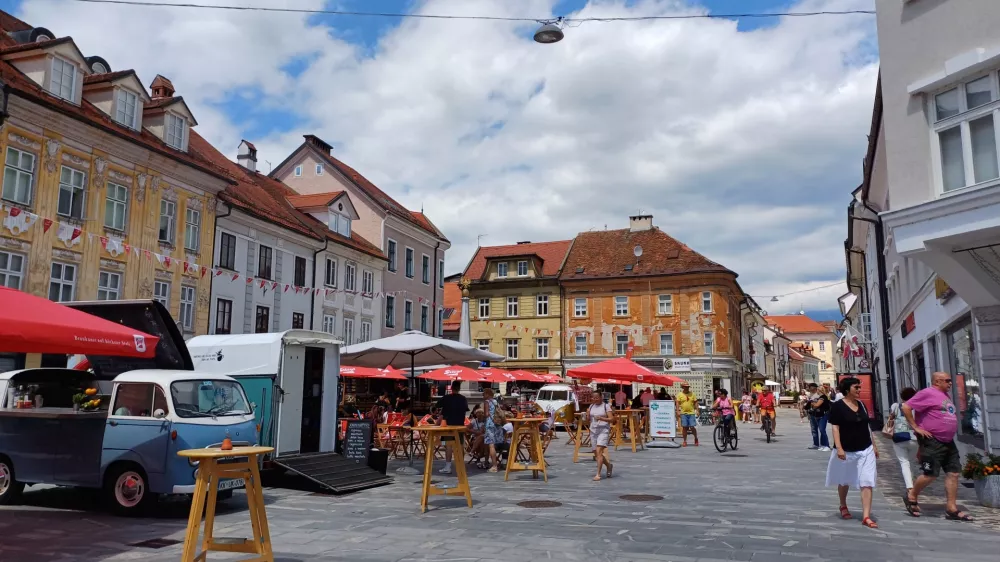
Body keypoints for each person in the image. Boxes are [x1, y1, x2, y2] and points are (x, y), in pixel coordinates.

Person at [902, 372, 973, 521]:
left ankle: (951, 508)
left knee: (953, 472)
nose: (950, 383)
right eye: (947, 380)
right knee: (930, 474)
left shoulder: (944, 395)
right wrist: (915, 427)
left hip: (948, 440)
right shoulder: (928, 393)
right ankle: (912, 494)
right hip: (932, 440)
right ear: (937, 381)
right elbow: (906, 406)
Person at [826, 376, 879, 528]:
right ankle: (843, 504)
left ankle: (866, 516)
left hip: (865, 448)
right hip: (847, 449)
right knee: (844, 480)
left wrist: (874, 445)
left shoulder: (861, 404)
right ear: (847, 389)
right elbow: (835, 427)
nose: (859, 390)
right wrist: (839, 448)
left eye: (859, 387)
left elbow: (867, 427)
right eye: (856, 388)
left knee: (867, 481)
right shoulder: (837, 406)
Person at [888, 387, 919, 512]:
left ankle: (910, 487)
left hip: (899, 437)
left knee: (904, 463)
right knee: (910, 462)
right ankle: (912, 485)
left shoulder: (896, 406)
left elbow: (891, 418)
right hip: (915, 438)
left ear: (902, 397)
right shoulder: (917, 407)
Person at [437, 380, 469, 474]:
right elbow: (466, 409)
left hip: (447, 425)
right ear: (459, 388)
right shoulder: (463, 398)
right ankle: (461, 465)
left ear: (451, 388)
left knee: (448, 445)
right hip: (460, 425)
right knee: (460, 445)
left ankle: (447, 466)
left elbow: (437, 405)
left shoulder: (446, 397)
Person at [588, 392, 614, 481]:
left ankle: (598, 474)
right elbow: (589, 419)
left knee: (599, 451)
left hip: (603, 430)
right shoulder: (591, 406)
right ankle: (609, 466)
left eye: (597, 398)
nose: (595, 399)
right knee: (596, 453)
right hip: (593, 430)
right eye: (593, 398)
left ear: (601, 398)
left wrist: (601, 418)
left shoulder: (605, 406)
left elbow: (612, 419)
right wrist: (585, 416)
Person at [481, 387, 506, 473]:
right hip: (497, 424)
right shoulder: (496, 402)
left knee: (491, 445)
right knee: (493, 444)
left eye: (483, 394)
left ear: (487, 394)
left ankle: (494, 465)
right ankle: (487, 462)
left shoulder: (487, 402)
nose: (483, 396)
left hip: (490, 424)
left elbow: (486, 414)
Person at [805, 382, 831, 451]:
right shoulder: (813, 395)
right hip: (815, 414)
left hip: (821, 414)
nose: (817, 391)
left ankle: (826, 445)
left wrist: (812, 402)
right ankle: (819, 444)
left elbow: (817, 405)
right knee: (816, 429)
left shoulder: (822, 397)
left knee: (822, 430)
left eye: (818, 390)